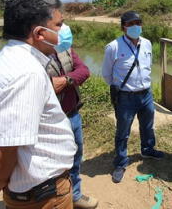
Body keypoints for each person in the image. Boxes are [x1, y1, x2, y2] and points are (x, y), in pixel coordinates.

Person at [0, 0, 77, 209]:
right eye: (59, 25)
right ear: (39, 33)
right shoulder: (26, 73)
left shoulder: (6, 60)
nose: (64, 30)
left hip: (32, 191)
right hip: (44, 195)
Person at [102, 11, 164, 183]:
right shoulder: (113, 47)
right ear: (124, 27)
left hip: (146, 94)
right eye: (131, 24)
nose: (136, 26)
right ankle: (121, 162)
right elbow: (107, 75)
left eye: (138, 22)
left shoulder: (147, 44)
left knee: (148, 125)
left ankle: (148, 149)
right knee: (123, 131)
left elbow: (147, 67)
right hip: (125, 97)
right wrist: (122, 88)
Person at [46, 29, 98, 208]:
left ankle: (75, 195)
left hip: (73, 114)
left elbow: (84, 70)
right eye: (58, 25)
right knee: (53, 163)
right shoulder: (34, 56)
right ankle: (55, 200)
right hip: (51, 120)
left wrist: (65, 80)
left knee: (76, 157)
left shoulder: (65, 50)